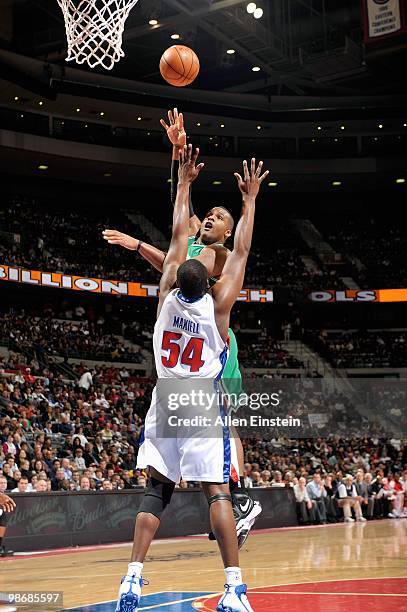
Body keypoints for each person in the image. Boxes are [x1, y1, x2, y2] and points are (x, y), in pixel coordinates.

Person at [115, 146, 268, 612]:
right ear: (209, 281)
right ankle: (234, 588)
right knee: (216, 493)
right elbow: (240, 248)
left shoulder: (164, 296)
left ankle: (132, 579)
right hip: (201, 401)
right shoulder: (219, 308)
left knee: (155, 490)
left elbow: (179, 231)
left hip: (164, 399)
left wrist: (183, 183)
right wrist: (250, 201)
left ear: (175, 276)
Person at [0, 475, 16, 557]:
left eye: (4, 483)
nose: (3, 484)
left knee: (3, 522)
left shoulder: (4, 496)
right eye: (1, 483)